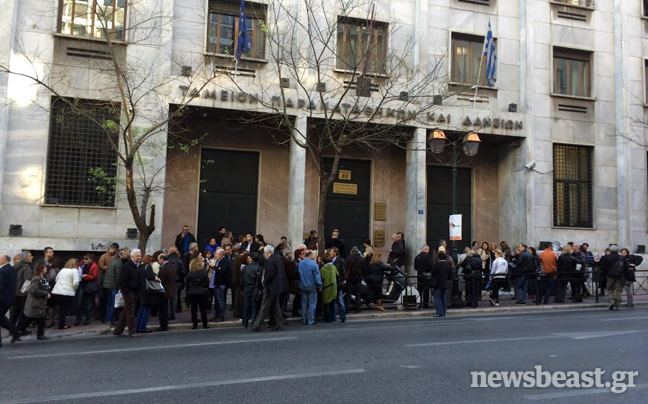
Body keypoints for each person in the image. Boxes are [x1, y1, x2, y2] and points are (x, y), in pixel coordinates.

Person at [251, 245, 287, 331]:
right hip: (277, 287)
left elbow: (269, 275)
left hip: (270, 287)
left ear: (267, 252)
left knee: (264, 307)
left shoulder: (269, 261)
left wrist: (265, 283)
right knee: (276, 307)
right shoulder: (277, 259)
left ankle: (257, 325)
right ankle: (279, 324)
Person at [17, 262, 50, 340]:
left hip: (41, 303)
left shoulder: (43, 277)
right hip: (36, 302)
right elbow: (34, 290)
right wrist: (45, 293)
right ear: (41, 269)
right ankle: (39, 335)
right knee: (35, 317)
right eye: (45, 268)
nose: (46, 269)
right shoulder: (36, 278)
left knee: (33, 318)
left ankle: (19, 331)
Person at [114, 249, 143, 338]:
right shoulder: (127, 266)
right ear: (132, 256)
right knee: (130, 311)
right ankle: (132, 331)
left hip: (135, 290)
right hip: (128, 291)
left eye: (140, 256)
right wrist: (126, 290)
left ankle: (118, 330)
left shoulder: (138, 266)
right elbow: (122, 280)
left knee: (126, 310)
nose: (139, 257)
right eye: (138, 256)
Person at [51, 258, 80, 329]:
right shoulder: (75, 271)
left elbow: (56, 279)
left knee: (58, 308)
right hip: (67, 292)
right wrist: (74, 289)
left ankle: (53, 321)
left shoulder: (62, 270)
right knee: (64, 309)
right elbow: (76, 282)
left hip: (57, 291)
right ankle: (62, 324)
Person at [0, 254, 22, 346]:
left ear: (4, 260)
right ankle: (15, 332)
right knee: (1, 318)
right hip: (9, 297)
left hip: (2, 298)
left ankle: (15, 332)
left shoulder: (3, 270)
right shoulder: (11, 269)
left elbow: (1, 285)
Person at [186, 255, 210, 329]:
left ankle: (195, 324)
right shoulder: (204, 273)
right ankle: (205, 324)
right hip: (201, 291)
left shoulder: (190, 273)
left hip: (192, 291)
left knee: (194, 309)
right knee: (203, 309)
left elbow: (187, 284)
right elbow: (207, 283)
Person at [298, 250, 322, 325]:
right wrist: (319, 285)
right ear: (310, 255)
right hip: (312, 285)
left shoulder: (300, 263)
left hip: (303, 285)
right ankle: (310, 320)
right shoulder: (313, 264)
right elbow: (317, 276)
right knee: (312, 303)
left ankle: (304, 319)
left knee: (304, 303)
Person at [104, 248, 127, 324]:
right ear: (120, 255)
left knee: (110, 303)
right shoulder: (119, 263)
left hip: (108, 284)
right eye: (123, 254)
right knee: (114, 303)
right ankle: (111, 319)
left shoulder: (113, 261)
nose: (125, 255)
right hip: (114, 285)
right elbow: (118, 276)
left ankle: (107, 319)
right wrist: (120, 286)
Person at [136, 256, 158, 334]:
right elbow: (150, 277)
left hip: (141, 291)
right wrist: (156, 277)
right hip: (148, 291)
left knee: (141, 309)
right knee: (146, 310)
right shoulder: (147, 267)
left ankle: (138, 326)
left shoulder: (139, 267)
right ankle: (142, 327)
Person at [75, 255, 99, 326]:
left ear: (91, 260)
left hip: (89, 286)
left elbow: (94, 277)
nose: (85, 260)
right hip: (82, 285)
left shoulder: (94, 266)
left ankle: (87, 319)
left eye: (86, 259)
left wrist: (86, 276)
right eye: (84, 259)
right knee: (79, 302)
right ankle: (78, 319)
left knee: (88, 303)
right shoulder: (82, 264)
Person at [11, 251, 33, 329]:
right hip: (22, 293)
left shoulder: (15, 266)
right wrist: (26, 292)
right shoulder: (26, 267)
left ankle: (12, 328)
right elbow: (27, 281)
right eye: (30, 256)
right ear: (25, 258)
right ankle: (20, 329)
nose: (32, 257)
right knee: (22, 311)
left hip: (15, 291)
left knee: (14, 311)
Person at [210, 248, 231, 322]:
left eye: (217, 254)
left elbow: (222, 271)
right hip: (216, 283)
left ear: (221, 255)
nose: (215, 255)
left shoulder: (225, 261)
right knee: (217, 301)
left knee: (220, 301)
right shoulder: (218, 261)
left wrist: (214, 267)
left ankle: (221, 316)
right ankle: (216, 315)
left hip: (221, 283)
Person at [156, 254, 176, 331]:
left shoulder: (164, 268)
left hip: (164, 290)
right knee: (165, 308)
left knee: (163, 309)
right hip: (170, 289)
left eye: (159, 259)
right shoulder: (172, 266)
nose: (158, 261)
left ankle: (163, 325)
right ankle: (165, 324)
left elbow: (160, 279)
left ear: (162, 259)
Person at [241, 253, 260, 328]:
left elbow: (241, 280)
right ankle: (254, 323)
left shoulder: (245, 268)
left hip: (246, 288)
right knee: (254, 306)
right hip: (255, 288)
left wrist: (242, 288)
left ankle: (244, 323)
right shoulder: (258, 267)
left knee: (246, 306)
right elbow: (258, 280)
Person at [606, 245, 627, 310]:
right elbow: (626, 267)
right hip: (619, 276)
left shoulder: (607, 257)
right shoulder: (622, 258)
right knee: (618, 290)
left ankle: (611, 302)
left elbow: (604, 267)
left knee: (610, 289)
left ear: (610, 250)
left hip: (610, 276)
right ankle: (618, 304)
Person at [431, 250, 452, 317]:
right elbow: (450, 274)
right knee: (444, 298)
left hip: (438, 283)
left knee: (437, 297)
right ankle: (444, 312)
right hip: (445, 283)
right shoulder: (447, 265)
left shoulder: (436, 265)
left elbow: (433, 273)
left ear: (439, 258)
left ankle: (439, 312)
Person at [329, 247, 346, 322]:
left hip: (338, 283)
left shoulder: (340, 261)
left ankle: (342, 315)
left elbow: (343, 272)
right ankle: (333, 316)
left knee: (340, 300)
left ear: (335, 253)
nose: (330, 253)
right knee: (333, 300)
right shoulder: (330, 261)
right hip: (332, 283)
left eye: (331, 252)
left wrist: (340, 281)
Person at [345, 247, 364, 313]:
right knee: (358, 294)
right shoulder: (361, 259)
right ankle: (358, 308)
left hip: (350, 278)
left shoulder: (349, 258)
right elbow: (364, 268)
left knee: (348, 293)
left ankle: (347, 307)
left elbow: (346, 267)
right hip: (358, 278)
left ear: (351, 252)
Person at [167, 247, 185, 316]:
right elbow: (183, 272)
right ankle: (173, 312)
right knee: (175, 297)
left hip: (169, 281)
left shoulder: (168, 260)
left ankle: (169, 313)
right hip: (177, 281)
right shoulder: (179, 260)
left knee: (169, 298)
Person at [320, 256, 338, 323]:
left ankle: (328, 319)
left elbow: (321, 278)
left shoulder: (323, 269)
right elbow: (337, 274)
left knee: (326, 304)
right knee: (332, 303)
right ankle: (333, 317)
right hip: (334, 287)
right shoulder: (334, 267)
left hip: (326, 287)